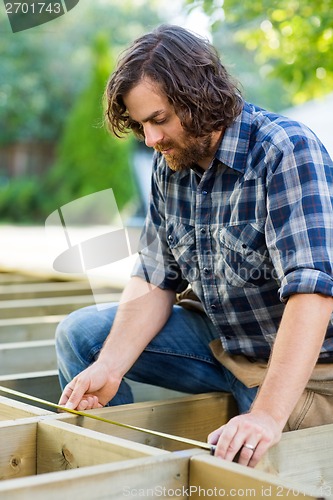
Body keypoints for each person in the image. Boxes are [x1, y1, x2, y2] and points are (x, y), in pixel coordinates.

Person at [55, 24, 333, 467]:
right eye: (142, 125)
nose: (150, 140)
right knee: (84, 339)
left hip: (306, 367)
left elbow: (312, 293)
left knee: (257, 469)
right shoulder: (171, 164)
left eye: (159, 120)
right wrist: (110, 368)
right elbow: (153, 279)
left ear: (201, 98)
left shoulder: (285, 151)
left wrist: (265, 416)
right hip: (224, 344)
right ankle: (119, 476)